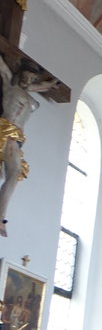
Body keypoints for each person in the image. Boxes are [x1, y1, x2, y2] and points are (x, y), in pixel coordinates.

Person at [0, 59, 56, 237]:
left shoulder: (27, 93)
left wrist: (46, 84)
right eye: (27, 76)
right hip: (5, 132)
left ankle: (1, 217)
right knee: (10, 171)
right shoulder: (10, 85)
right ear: (19, 74)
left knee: (15, 173)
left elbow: (32, 88)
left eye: (32, 79)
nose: (29, 81)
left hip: (17, 138)